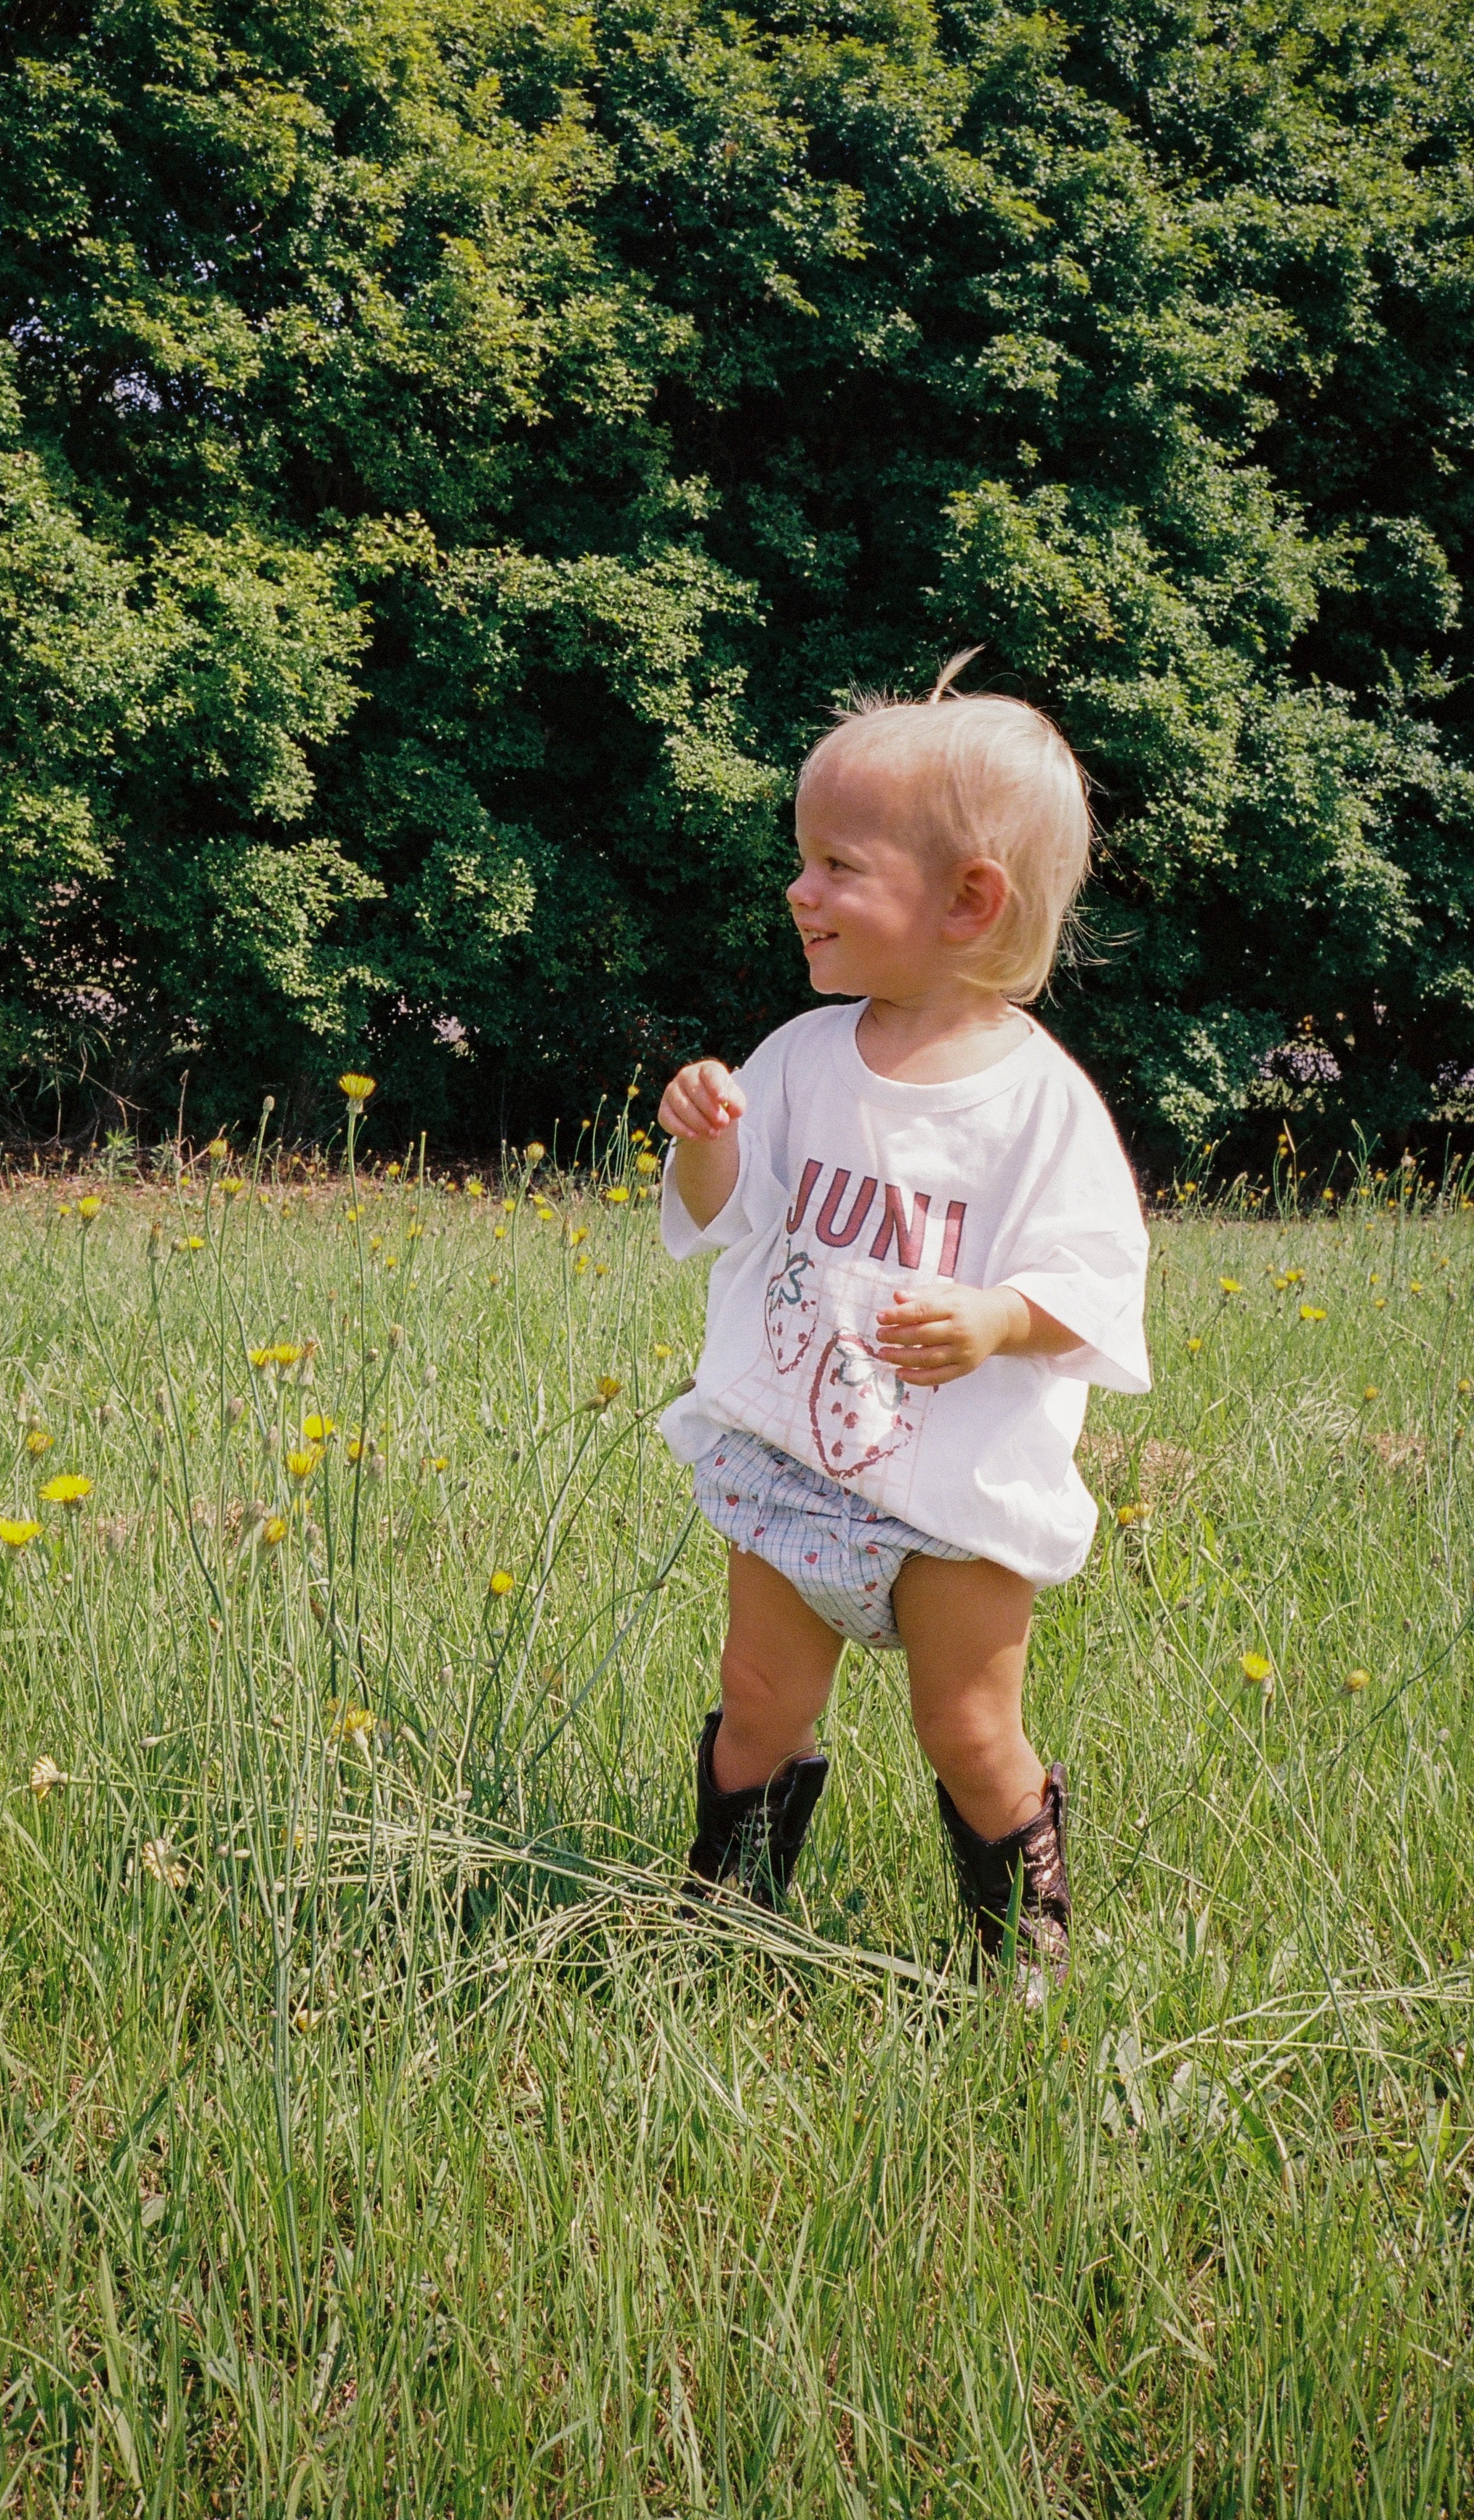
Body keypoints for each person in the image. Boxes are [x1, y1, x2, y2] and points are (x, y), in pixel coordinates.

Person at [656, 651, 1150, 1985]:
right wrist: (701, 1138)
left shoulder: (1036, 1104)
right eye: (800, 859)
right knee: (759, 1702)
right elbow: (723, 1211)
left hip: (949, 1491)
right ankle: (729, 1915)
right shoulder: (801, 1058)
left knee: (966, 1725)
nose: (797, 890)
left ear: (966, 899)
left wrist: (997, 1315)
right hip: (793, 1462)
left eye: (835, 865)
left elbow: (1096, 1274)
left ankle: (1018, 1949)